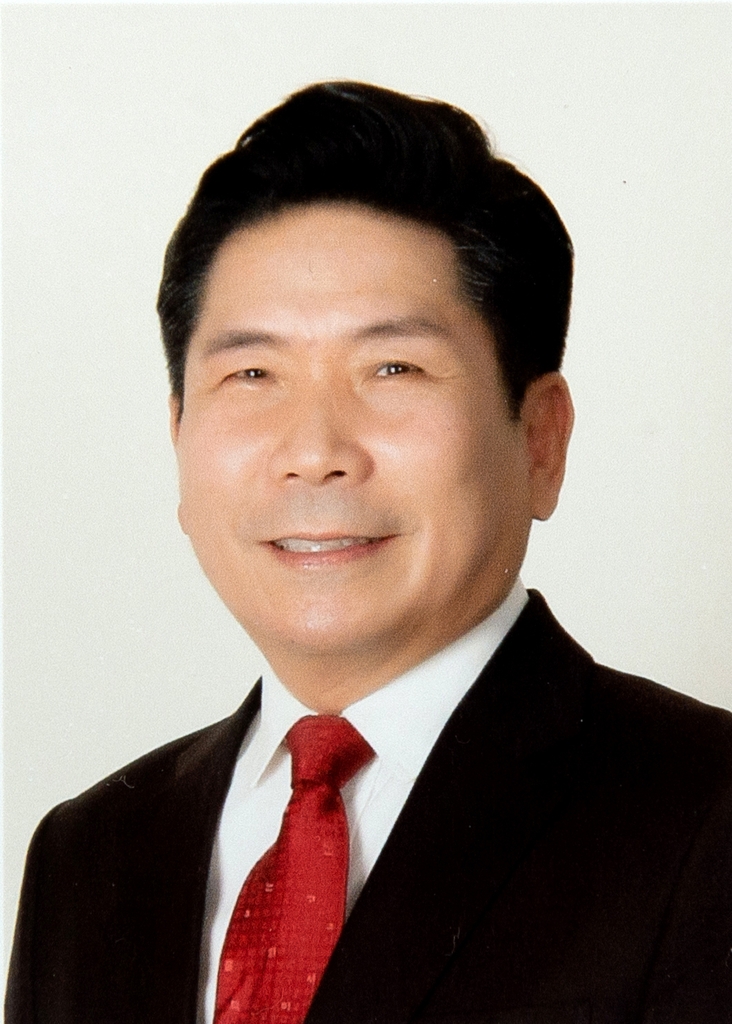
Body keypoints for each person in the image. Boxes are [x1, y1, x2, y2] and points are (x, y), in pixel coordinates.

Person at [7, 81, 732, 1024]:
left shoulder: (704, 819)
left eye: (393, 368)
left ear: (540, 441)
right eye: (252, 373)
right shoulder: (88, 854)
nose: (314, 452)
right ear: (179, 434)